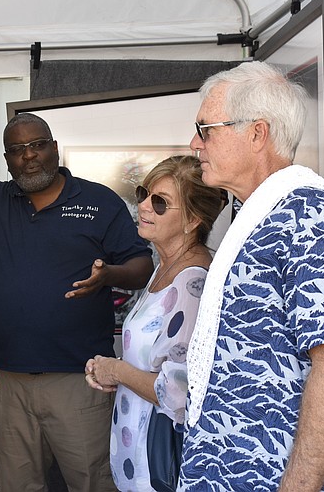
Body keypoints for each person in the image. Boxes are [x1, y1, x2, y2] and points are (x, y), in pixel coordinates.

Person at [0, 64, 154, 491]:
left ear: (54, 148)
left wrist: (109, 275)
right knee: (17, 484)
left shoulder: (98, 202)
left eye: (38, 145)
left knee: (91, 482)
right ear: (7, 159)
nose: (29, 155)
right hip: (12, 382)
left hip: (80, 380)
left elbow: (142, 265)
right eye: (17, 149)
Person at [180, 61, 324, 491]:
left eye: (206, 129)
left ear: (257, 133)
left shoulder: (311, 216)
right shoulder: (261, 214)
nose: (194, 144)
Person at [84, 155, 225, 491]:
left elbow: (176, 392)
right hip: (138, 454)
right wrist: (111, 371)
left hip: (159, 463)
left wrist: (115, 370)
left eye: (160, 203)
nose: (144, 206)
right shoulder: (165, 265)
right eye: (144, 193)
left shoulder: (193, 281)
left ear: (192, 220)